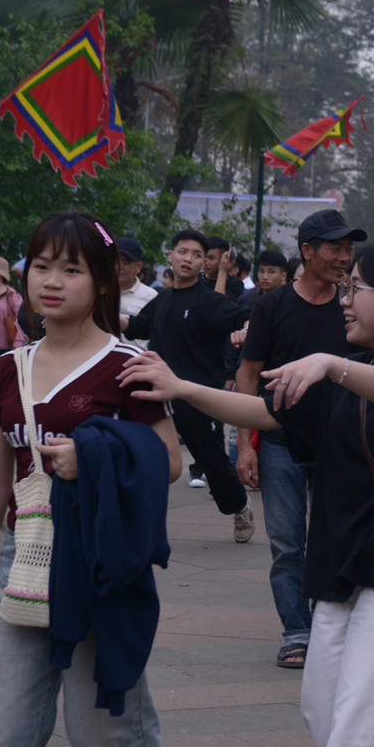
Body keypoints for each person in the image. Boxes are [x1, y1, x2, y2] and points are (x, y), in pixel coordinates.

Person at [123, 240, 374, 747]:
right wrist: (183, 388)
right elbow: (268, 412)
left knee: (358, 731)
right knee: (323, 710)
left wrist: (331, 365)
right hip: (337, 563)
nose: (346, 298)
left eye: (359, 287)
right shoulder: (349, 371)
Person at [0, 210, 182, 747]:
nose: (51, 280)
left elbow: (168, 461)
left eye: (70, 269)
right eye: (41, 266)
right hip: (22, 558)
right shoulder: (3, 371)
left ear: (99, 280)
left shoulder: (130, 367)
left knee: (104, 734)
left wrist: (92, 459)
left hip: (99, 562)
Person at [235, 210, 364, 668]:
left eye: (349, 249)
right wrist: (245, 445)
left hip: (341, 449)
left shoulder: (353, 304)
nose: (344, 258)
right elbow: (248, 377)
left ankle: (332, 629)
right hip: (280, 447)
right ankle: (297, 633)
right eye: (335, 248)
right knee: (288, 545)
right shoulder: (272, 306)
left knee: (339, 540)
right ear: (306, 252)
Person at [123, 230, 251, 539]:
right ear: (171, 254)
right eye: (183, 252)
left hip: (197, 396)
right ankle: (136, 518)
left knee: (212, 461)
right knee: (140, 453)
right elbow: (137, 326)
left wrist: (246, 329)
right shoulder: (162, 298)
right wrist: (96, 317)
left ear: (205, 263)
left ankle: (239, 507)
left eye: (197, 255)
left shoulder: (209, 302)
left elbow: (245, 315)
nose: (188, 259)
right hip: (156, 393)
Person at [116, 238, 157, 351]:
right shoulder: (97, 293)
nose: (120, 267)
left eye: (126, 262)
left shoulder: (151, 296)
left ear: (138, 267)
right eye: (115, 260)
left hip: (136, 364)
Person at [0, 257, 27, 354]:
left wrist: (17, 348)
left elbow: (22, 322)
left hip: (6, 350)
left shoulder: (13, 296)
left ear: (0, 275)